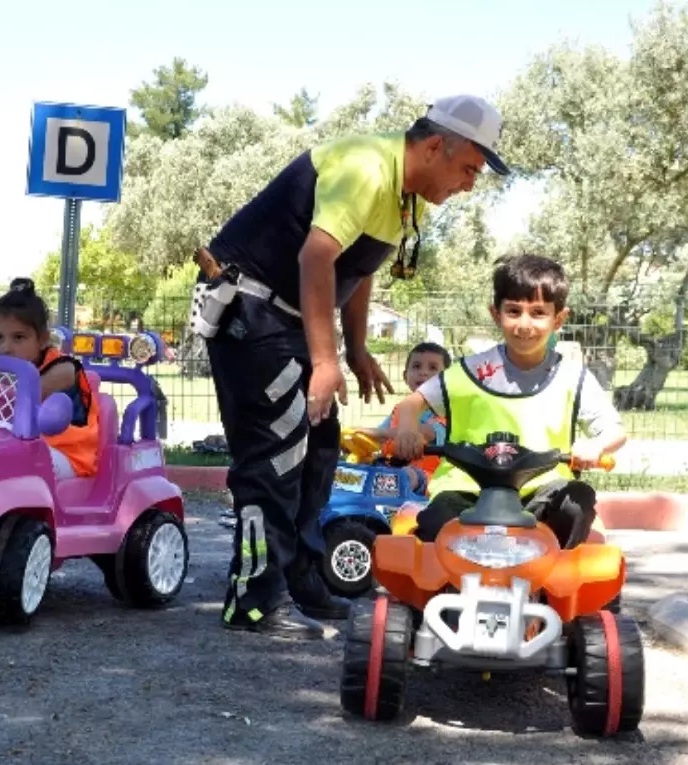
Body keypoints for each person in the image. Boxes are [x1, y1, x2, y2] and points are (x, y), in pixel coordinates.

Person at [191, 94, 511, 639]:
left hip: (290, 316)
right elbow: (316, 256)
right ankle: (252, 599)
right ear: (435, 146)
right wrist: (324, 360)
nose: (468, 184)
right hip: (253, 311)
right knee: (274, 458)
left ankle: (302, 579)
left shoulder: (401, 192)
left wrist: (356, 349)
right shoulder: (366, 169)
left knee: (318, 451)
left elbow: (354, 270)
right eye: (467, 169)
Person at [393, 254, 627, 549]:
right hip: (467, 489)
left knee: (575, 501)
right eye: (514, 311)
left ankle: (547, 582)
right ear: (496, 314)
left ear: (558, 319)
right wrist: (406, 429)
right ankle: (445, 584)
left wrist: (596, 446)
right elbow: (411, 404)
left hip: (538, 492)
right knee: (437, 521)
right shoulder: (470, 370)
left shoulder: (573, 377)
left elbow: (615, 430)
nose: (525, 324)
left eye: (538, 313)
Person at [0, 278, 100, 480]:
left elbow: (23, 395)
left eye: (18, 337)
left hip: (67, 454)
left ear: (43, 339)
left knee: (5, 467)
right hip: (18, 444)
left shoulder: (64, 369)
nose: (6, 347)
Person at [361, 341, 451, 494]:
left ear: (447, 378)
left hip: (430, 476)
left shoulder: (445, 411)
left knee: (406, 476)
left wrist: (379, 433)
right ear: (405, 376)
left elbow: (427, 432)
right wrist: (358, 437)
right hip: (392, 466)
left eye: (433, 368)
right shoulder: (400, 409)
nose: (423, 373)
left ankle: (383, 503)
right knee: (360, 468)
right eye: (416, 366)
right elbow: (380, 435)